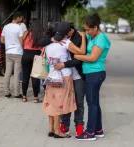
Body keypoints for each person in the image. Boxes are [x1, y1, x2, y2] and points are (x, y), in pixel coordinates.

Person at [42, 22, 86, 138]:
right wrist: (84, 38)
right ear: (66, 33)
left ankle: (51, 129)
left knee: (51, 102)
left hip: (51, 76)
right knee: (60, 103)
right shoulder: (66, 42)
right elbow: (81, 52)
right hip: (63, 77)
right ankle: (58, 131)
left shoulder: (48, 43)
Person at [74, 13, 111, 141]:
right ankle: (98, 130)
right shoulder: (92, 36)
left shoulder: (101, 38)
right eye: (86, 29)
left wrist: (78, 57)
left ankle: (90, 133)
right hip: (91, 73)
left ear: (95, 27)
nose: (87, 32)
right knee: (94, 102)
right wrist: (84, 35)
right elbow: (84, 42)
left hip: (95, 73)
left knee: (92, 103)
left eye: (89, 29)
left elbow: (93, 57)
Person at [1, 12, 23, 98]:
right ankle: (16, 93)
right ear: (17, 18)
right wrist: (20, 47)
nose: (21, 20)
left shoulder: (6, 27)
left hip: (8, 52)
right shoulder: (19, 27)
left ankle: (6, 92)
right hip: (17, 52)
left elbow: (2, 40)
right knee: (17, 73)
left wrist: (9, 44)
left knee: (8, 72)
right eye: (20, 18)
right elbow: (21, 41)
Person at [21, 19, 44, 103]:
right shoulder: (40, 34)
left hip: (26, 54)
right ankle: (35, 97)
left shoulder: (26, 33)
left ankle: (24, 96)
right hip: (37, 54)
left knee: (25, 76)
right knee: (35, 76)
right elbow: (42, 46)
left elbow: (22, 43)